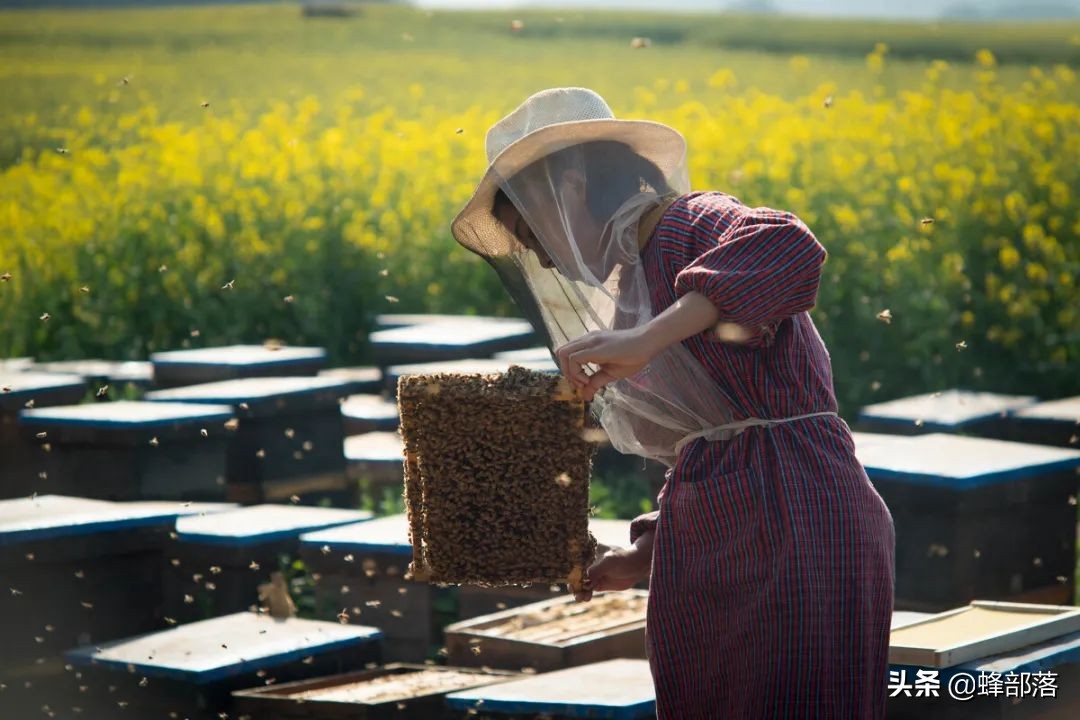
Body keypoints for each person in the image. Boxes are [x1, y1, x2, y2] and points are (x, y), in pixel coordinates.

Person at [450, 86, 896, 719]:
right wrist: (648, 552)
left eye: (535, 232)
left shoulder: (688, 221)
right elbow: (714, 444)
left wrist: (644, 338)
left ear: (572, 186)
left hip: (796, 523)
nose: (544, 257)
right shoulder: (635, 277)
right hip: (716, 540)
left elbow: (788, 246)